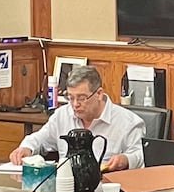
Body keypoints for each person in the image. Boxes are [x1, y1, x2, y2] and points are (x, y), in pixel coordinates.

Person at [9, 65, 146, 171]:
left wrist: (126, 160)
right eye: (70, 97)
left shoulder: (129, 122)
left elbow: (141, 157)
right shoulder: (62, 115)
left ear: (98, 94)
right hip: (67, 187)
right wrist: (26, 148)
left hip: (107, 188)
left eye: (81, 98)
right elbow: (39, 139)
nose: (75, 104)